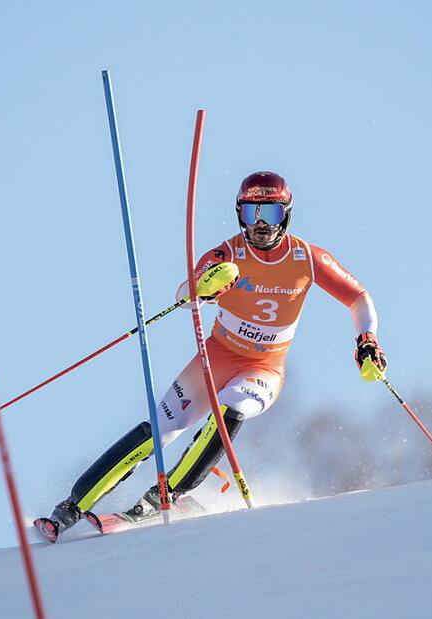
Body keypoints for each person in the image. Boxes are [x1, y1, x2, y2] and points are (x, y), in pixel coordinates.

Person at [35, 171, 387, 541]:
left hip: (264, 369)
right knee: (161, 431)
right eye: (252, 214)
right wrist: (204, 289)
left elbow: (358, 296)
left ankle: (164, 496)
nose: (262, 225)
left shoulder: (307, 258)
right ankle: (70, 508)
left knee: (230, 411)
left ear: (287, 214)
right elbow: (184, 291)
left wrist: (367, 338)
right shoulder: (227, 254)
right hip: (215, 359)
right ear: (239, 215)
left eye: (271, 213)